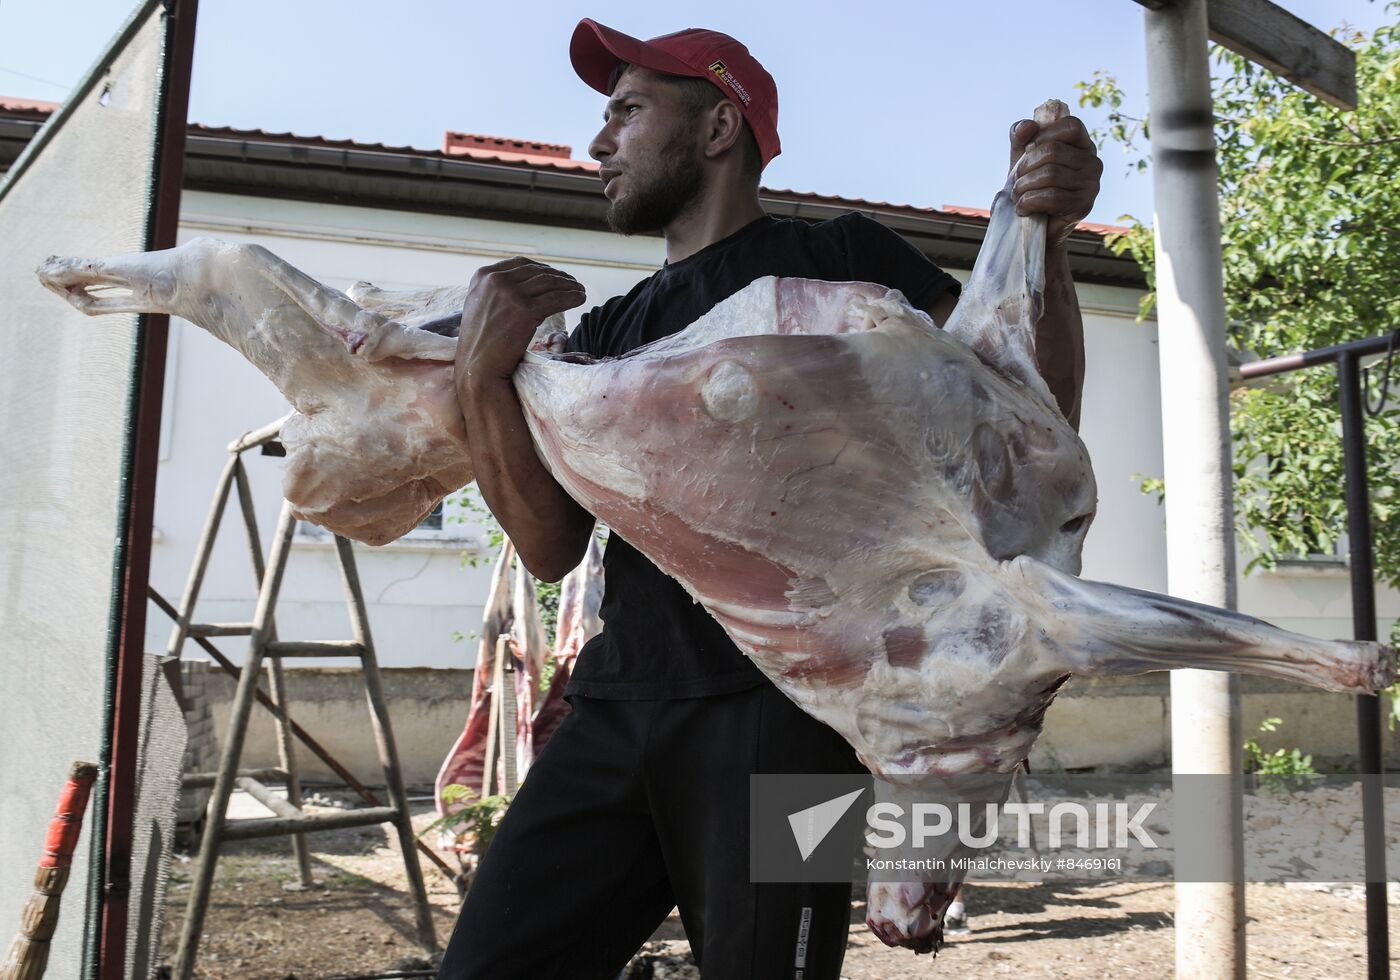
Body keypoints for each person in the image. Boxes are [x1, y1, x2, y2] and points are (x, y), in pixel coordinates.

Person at [441, 19, 1100, 979]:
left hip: (794, 724)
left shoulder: (840, 257)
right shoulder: (608, 331)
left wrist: (1050, 238)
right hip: (616, 705)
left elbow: (1028, 416)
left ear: (717, 129)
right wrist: (479, 379)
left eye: (626, 110)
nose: (598, 142)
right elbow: (550, 547)